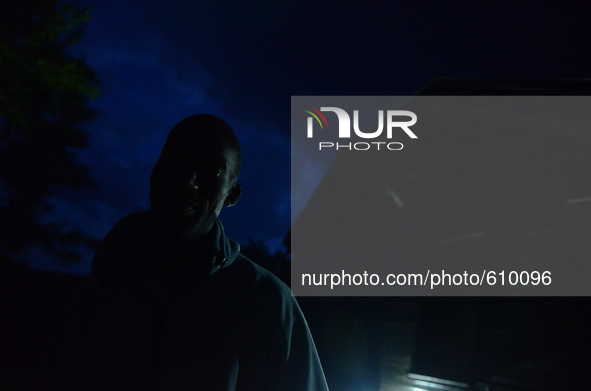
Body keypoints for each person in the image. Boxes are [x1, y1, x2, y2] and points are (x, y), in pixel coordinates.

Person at [35, 115, 329, 391]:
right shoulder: (96, 295)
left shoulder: (268, 304)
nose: (187, 179)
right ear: (155, 170)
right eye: (176, 160)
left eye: (211, 170)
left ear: (232, 195)